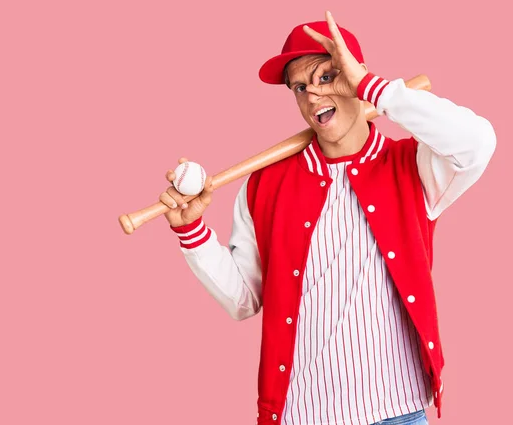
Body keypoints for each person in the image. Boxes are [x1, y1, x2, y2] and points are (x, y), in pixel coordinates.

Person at [159, 11, 496, 425]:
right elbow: (243, 300)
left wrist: (375, 89)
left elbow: (477, 142)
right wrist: (190, 230)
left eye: (327, 76)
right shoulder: (264, 186)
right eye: (300, 87)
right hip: (301, 415)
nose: (314, 96)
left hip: (397, 413)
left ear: (355, 76)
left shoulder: (413, 167)